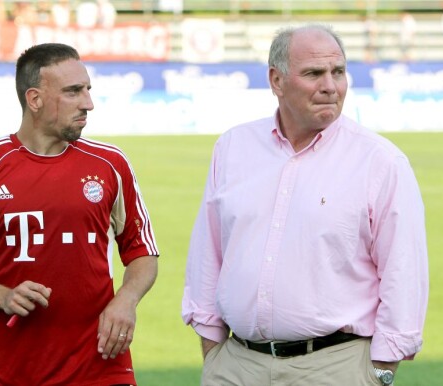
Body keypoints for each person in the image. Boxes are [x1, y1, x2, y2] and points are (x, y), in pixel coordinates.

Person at [182, 24, 428, 386]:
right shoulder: (234, 147)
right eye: (314, 73)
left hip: (335, 367)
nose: (330, 85)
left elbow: (403, 271)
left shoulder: (380, 162)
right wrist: (212, 350)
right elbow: (209, 252)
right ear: (276, 80)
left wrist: (381, 372)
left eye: (338, 72)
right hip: (235, 366)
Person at [0, 43, 159, 386]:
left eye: (88, 90)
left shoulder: (111, 164)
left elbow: (142, 252)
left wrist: (126, 300)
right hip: (11, 370)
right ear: (34, 99)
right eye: (73, 92)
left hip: (101, 364)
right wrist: (2, 296)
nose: (88, 103)